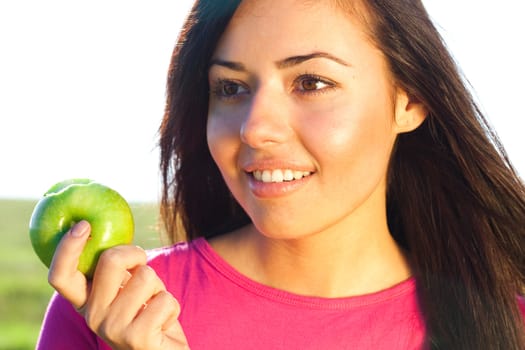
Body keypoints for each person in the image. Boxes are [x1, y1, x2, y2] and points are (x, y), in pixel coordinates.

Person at [36, 0, 525, 349]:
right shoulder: (111, 311)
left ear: (410, 99)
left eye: (311, 82)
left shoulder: (509, 329)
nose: (255, 128)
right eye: (229, 87)